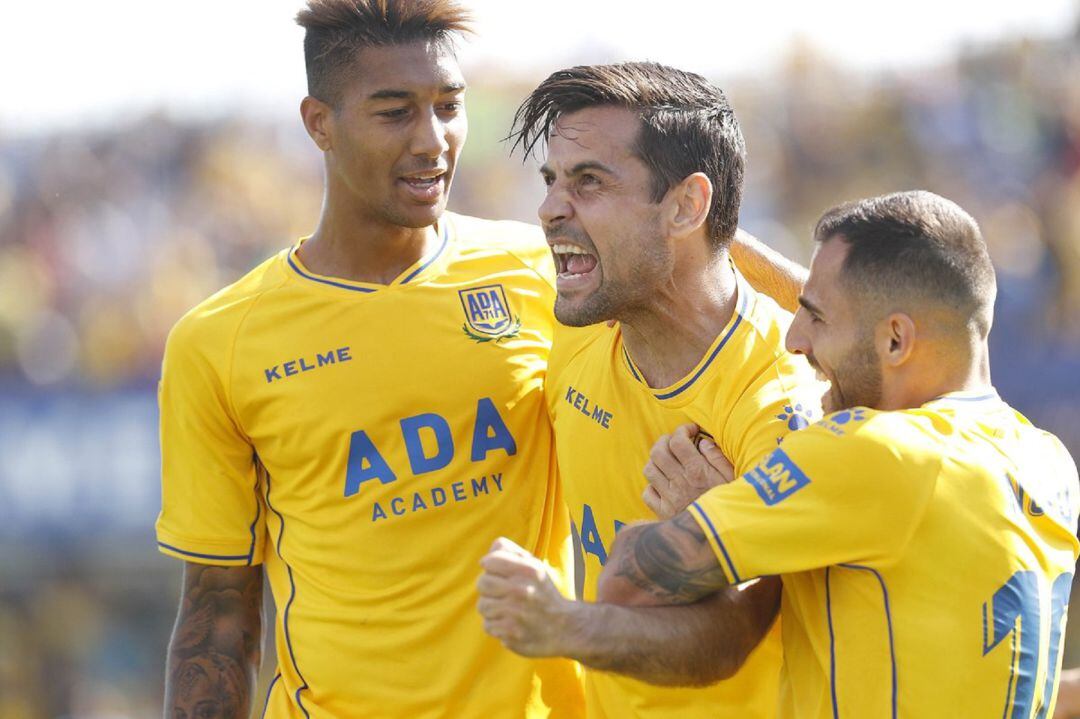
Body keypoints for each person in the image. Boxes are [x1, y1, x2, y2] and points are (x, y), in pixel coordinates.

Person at [155, 1, 587, 716]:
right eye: (394, 113)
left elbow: (698, 281)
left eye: (449, 107)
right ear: (318, 122)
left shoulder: (541, 271)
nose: (433, 140)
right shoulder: (218, 342)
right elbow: (219, 621)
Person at [602, 191, 1080, 717]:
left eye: (817, 317)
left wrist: (723, 517)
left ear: (896, 340)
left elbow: (627, 578)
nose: (793, 340)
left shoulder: (875, 450)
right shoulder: (1046, 460)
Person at [476, 62, 823, 718]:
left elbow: (731, 635)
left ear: (687, 205)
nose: (550, 209)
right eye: (551, 181)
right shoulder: (579, 312)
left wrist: (564, 625)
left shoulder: (778, 402)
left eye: (589, 182)